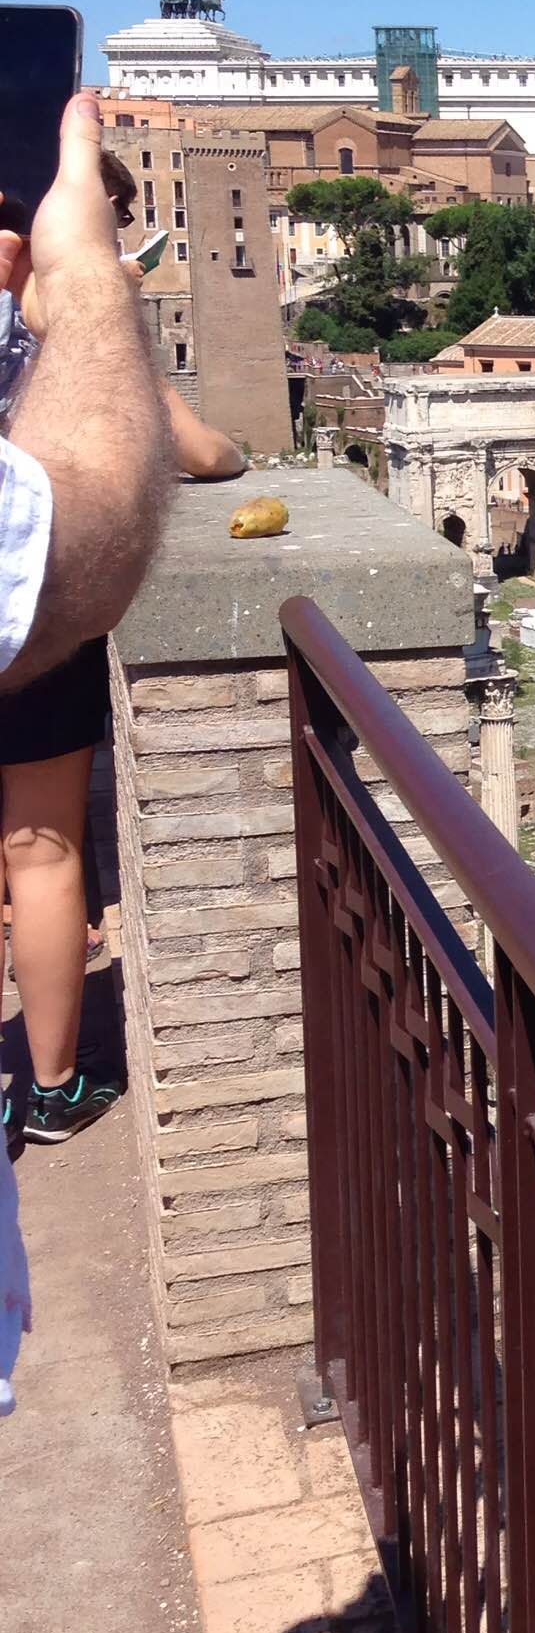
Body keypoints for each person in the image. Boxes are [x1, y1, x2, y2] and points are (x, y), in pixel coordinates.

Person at [0, 92, 242, 1415]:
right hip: (28, 649)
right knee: (40, 850)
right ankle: (50, 1086)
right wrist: (91, 298)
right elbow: (164, 464)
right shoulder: (65, 345)